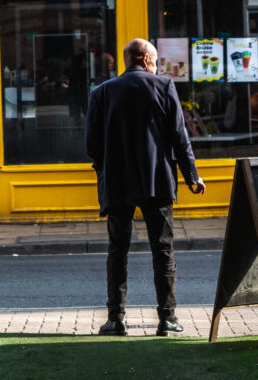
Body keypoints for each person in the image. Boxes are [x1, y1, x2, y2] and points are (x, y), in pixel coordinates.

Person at [85, 37, 206, 337]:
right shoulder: (164, 87)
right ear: (146, 60)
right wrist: (192, 177)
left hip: (117, 183)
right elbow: (180, 137)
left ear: (128, 60)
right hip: (157, 181)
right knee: (163, 251)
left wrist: (105, 169)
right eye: (155, 60)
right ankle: (167, 320)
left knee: (118, 251)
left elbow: (92, 145)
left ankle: (116, 319)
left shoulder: (102, 92)